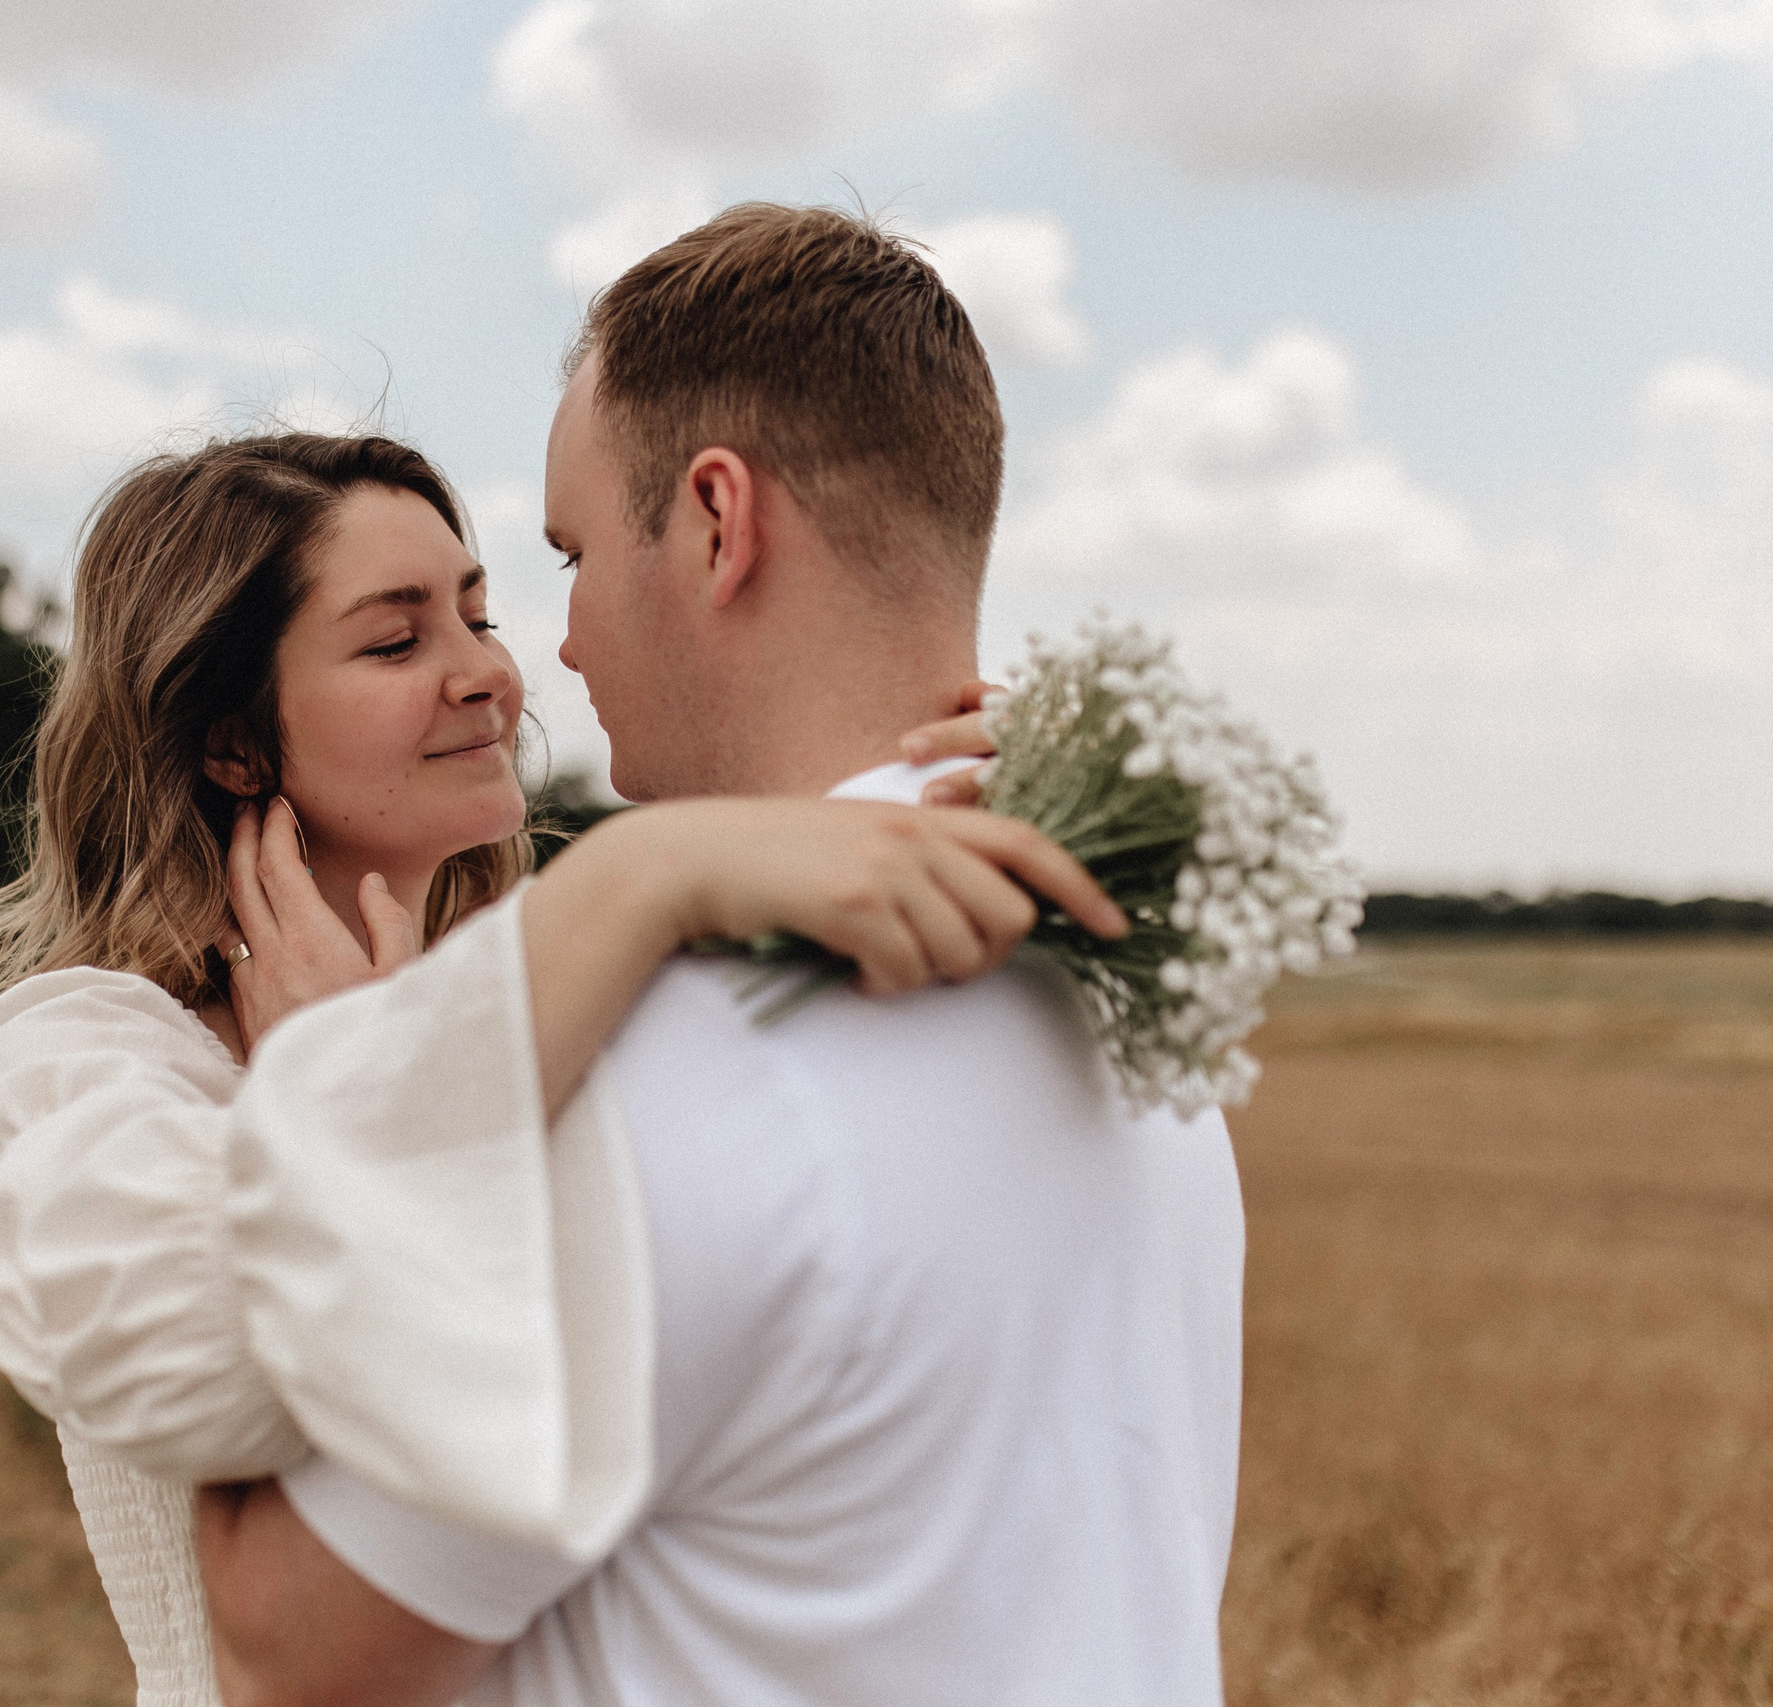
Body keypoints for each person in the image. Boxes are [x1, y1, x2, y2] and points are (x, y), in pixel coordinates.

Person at [190, 205, 1249, 1707]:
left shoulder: (668, 1065)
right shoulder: (1122, 983)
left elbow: (284, 1650)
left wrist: (367, 1091)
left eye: (570, 555)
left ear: (713, 521)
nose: (551, 648)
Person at [0, 433, 1127, 1704]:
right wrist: (619, 886)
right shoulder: (80, 1056)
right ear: (233, 745)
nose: (489, 675)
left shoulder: (535, 988)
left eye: (479, 613)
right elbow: (181, 1351)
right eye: (396, 642)